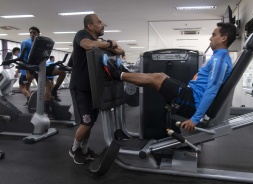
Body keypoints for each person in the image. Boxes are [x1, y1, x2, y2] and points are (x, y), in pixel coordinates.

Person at [104, 22, 237, 132]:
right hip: (191, 94)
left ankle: (116, 74)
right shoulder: (218, 57)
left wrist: (195, 119)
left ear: (223, 38)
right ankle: (123, 72)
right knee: (161, 76)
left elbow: (211, 90)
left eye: (214, 35)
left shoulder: (219, 60)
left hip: (193, 101)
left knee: (155, 78)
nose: (210, 38)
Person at [69, 13, 124, 165]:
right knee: (86, 122)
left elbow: (120, 51)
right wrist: (108, 44)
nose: (102, 25)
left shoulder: (98, 42)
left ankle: (85, 150)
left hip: (93, 87)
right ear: (90, 25)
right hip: (80, 87)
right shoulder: (82, 34)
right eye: (99, 22)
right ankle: (74, 149)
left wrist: (111, 45)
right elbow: (87, 45)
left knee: (91, 122)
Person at [20, 26, 66, 113]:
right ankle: (46, 104)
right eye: (31, 33)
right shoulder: (25, 43)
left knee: (62, 72)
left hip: (43, 66)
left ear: (38, 34)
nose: (32, 34)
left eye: (34, 33)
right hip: (34, 68)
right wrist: (27, 72)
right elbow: (24, 59)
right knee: (48, 85)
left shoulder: (42, 43)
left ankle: (55, 91)